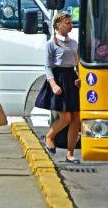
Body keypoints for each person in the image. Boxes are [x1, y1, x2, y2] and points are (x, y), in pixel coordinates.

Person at [38, 12, 80, 163]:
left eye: (70, 22)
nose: (70, 25)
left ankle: (70, 153)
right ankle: (49, 136)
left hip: (72, 80)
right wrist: (54, 84)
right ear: (58, 25)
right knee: (66, 117)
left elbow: (78, 63)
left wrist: (79, 77)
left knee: (76, 118)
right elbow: (48, 66)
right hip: (59, 79)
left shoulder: (74, 43)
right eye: (67, 23)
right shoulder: (51, 43)